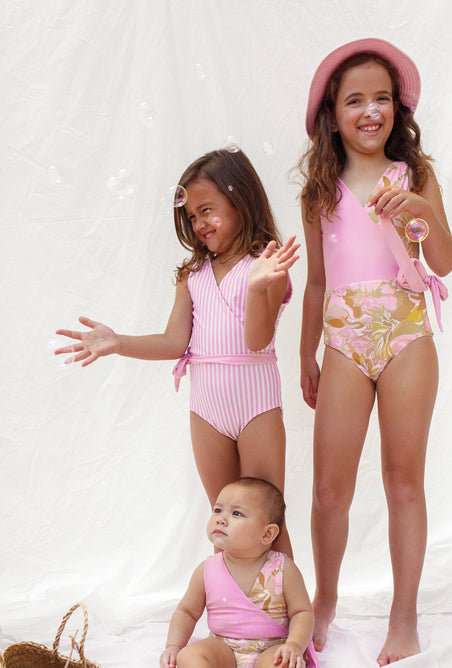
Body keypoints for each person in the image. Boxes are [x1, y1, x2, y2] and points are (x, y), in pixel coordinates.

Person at [55, 148, 299, 556]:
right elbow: (173, 342)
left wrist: (258, 288)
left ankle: (290, 614)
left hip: (256, 405)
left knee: (266, 523)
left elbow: (257, 340)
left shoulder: (266, 264)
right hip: (206, 411)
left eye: (207, 210)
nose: (199, 223)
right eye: (192, 216)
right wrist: (118, 343)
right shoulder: (193, 275)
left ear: (240, 200)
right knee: (225, 526)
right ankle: (234, 614)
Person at [298, 38, 452, 665]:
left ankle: (404, 615)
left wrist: (419, 209)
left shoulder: (413, 175)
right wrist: (307, 355)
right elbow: (315, 282)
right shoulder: (320, 187)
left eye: (382, 99)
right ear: (332, 114)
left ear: (397, 108)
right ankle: (325, 602)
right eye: (355, 100)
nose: (370, 111)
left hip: (406, 334)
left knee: (402, 482)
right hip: (344, 339)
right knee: (329, 492)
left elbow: (443, 260)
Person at [160, 477, 320, 668]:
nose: (221, 519)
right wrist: (174, 646)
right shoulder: (207, 569)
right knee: (190, 657)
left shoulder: (283, 569)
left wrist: (294, 645)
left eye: (236, 513)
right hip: (224, 651)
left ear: (267, 534)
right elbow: (186, 612)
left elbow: (303, 612)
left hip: (270, 652)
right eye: (218, 510)